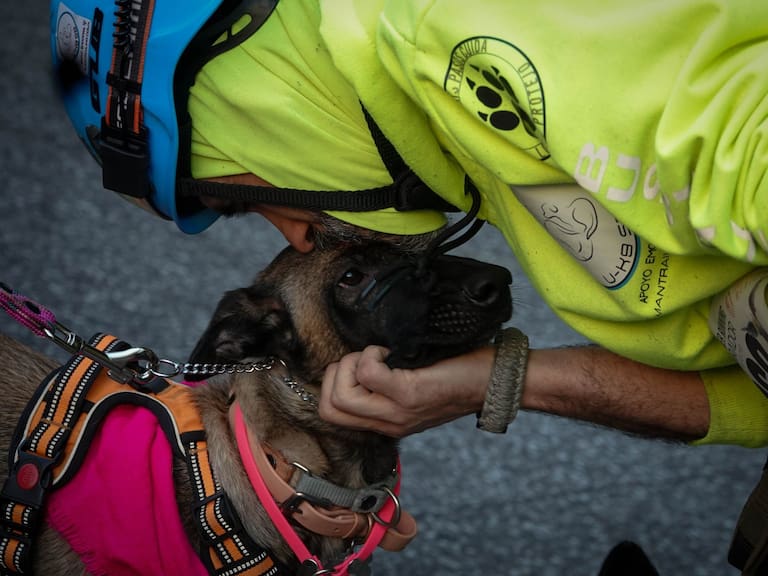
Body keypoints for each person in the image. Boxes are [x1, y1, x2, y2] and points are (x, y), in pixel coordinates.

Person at [52, 1, 767, 449]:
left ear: (245, 82)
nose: (298, 237)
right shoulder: (466, 133)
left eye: (240, 197)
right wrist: (501, 379)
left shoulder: (471, 26)